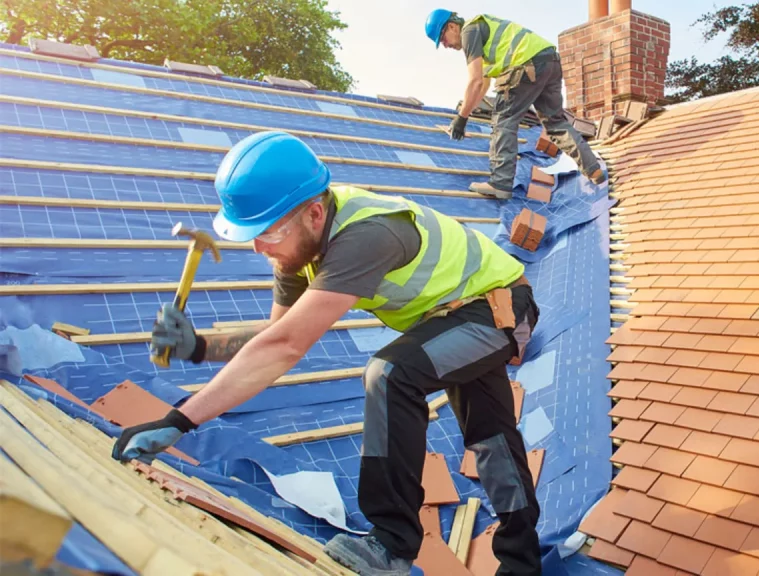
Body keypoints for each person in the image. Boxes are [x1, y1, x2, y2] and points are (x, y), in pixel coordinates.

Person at [111, 131, 544, 575]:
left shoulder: (365, 236)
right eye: (252, 236)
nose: (261, 248)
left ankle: (393, 545)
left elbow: (284, 348)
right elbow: (276, 334)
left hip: (499, 307)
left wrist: (178, 420)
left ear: (314, 213)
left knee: (390, 374)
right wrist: (200, 347)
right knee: (490, 436)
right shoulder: (295, 250)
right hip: (452, 317)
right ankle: (523, 564)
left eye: (268, 233)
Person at [425, 8, 606, 199]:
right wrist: (466, 114)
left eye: (443, 38)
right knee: (555, 123)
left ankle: (500, 183)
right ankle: (593, 170)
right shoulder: (483, 35)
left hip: (525, 65)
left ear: (452, 26)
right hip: (549, 61)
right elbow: (482, 85)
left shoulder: (469, 32)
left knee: (503, 120)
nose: (445, 45)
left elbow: (475, 80)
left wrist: (460, 119)